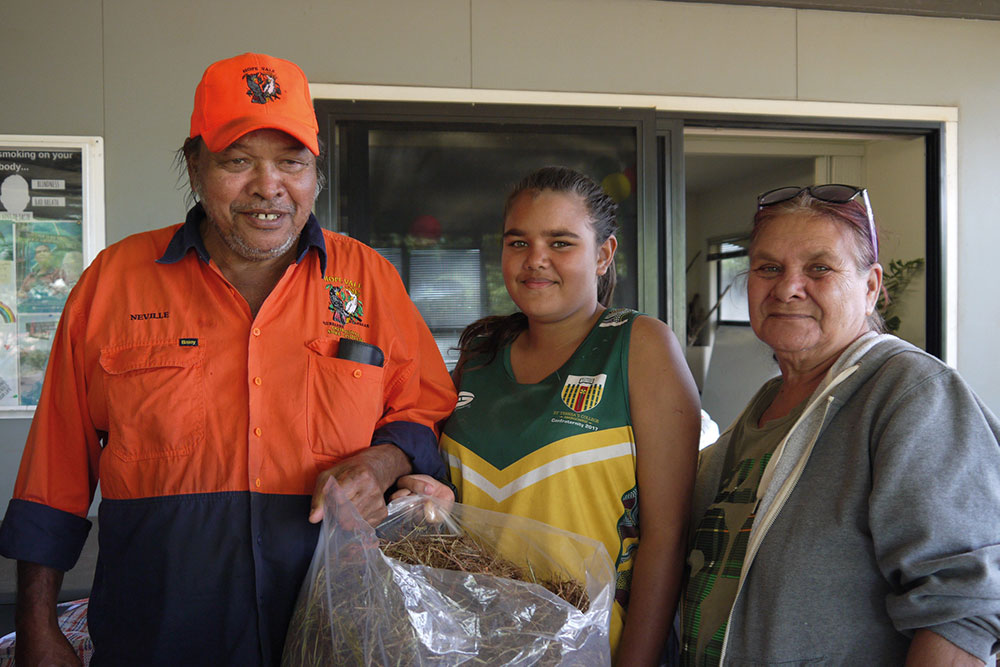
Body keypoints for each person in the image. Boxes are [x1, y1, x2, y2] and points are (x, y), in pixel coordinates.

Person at [0, 52, 456, 667]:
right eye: (238, 161)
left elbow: (423, 407)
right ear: (194, 165)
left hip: (337, 630)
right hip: (160, 632)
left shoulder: (369, 280)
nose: (269, 188)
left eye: (291, 162)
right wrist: (37, 624)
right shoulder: (115, 281)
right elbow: (56, 461)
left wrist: (382, 460)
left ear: (315, 171)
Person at [681, 184, 1000, 665]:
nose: (787, 287)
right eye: (769, 268)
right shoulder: (768, 404)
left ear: (870, 287)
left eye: (819, 268)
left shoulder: (909, 392)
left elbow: (964, 609)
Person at [396, 166, 702, 665]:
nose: (535, 260)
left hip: (592, 649)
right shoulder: (478, 356)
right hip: (475, 647)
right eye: (518, 242)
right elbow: (453, 506)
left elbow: (667, 539)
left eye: (561, 242)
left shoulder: (639, 345)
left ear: (603, 255)